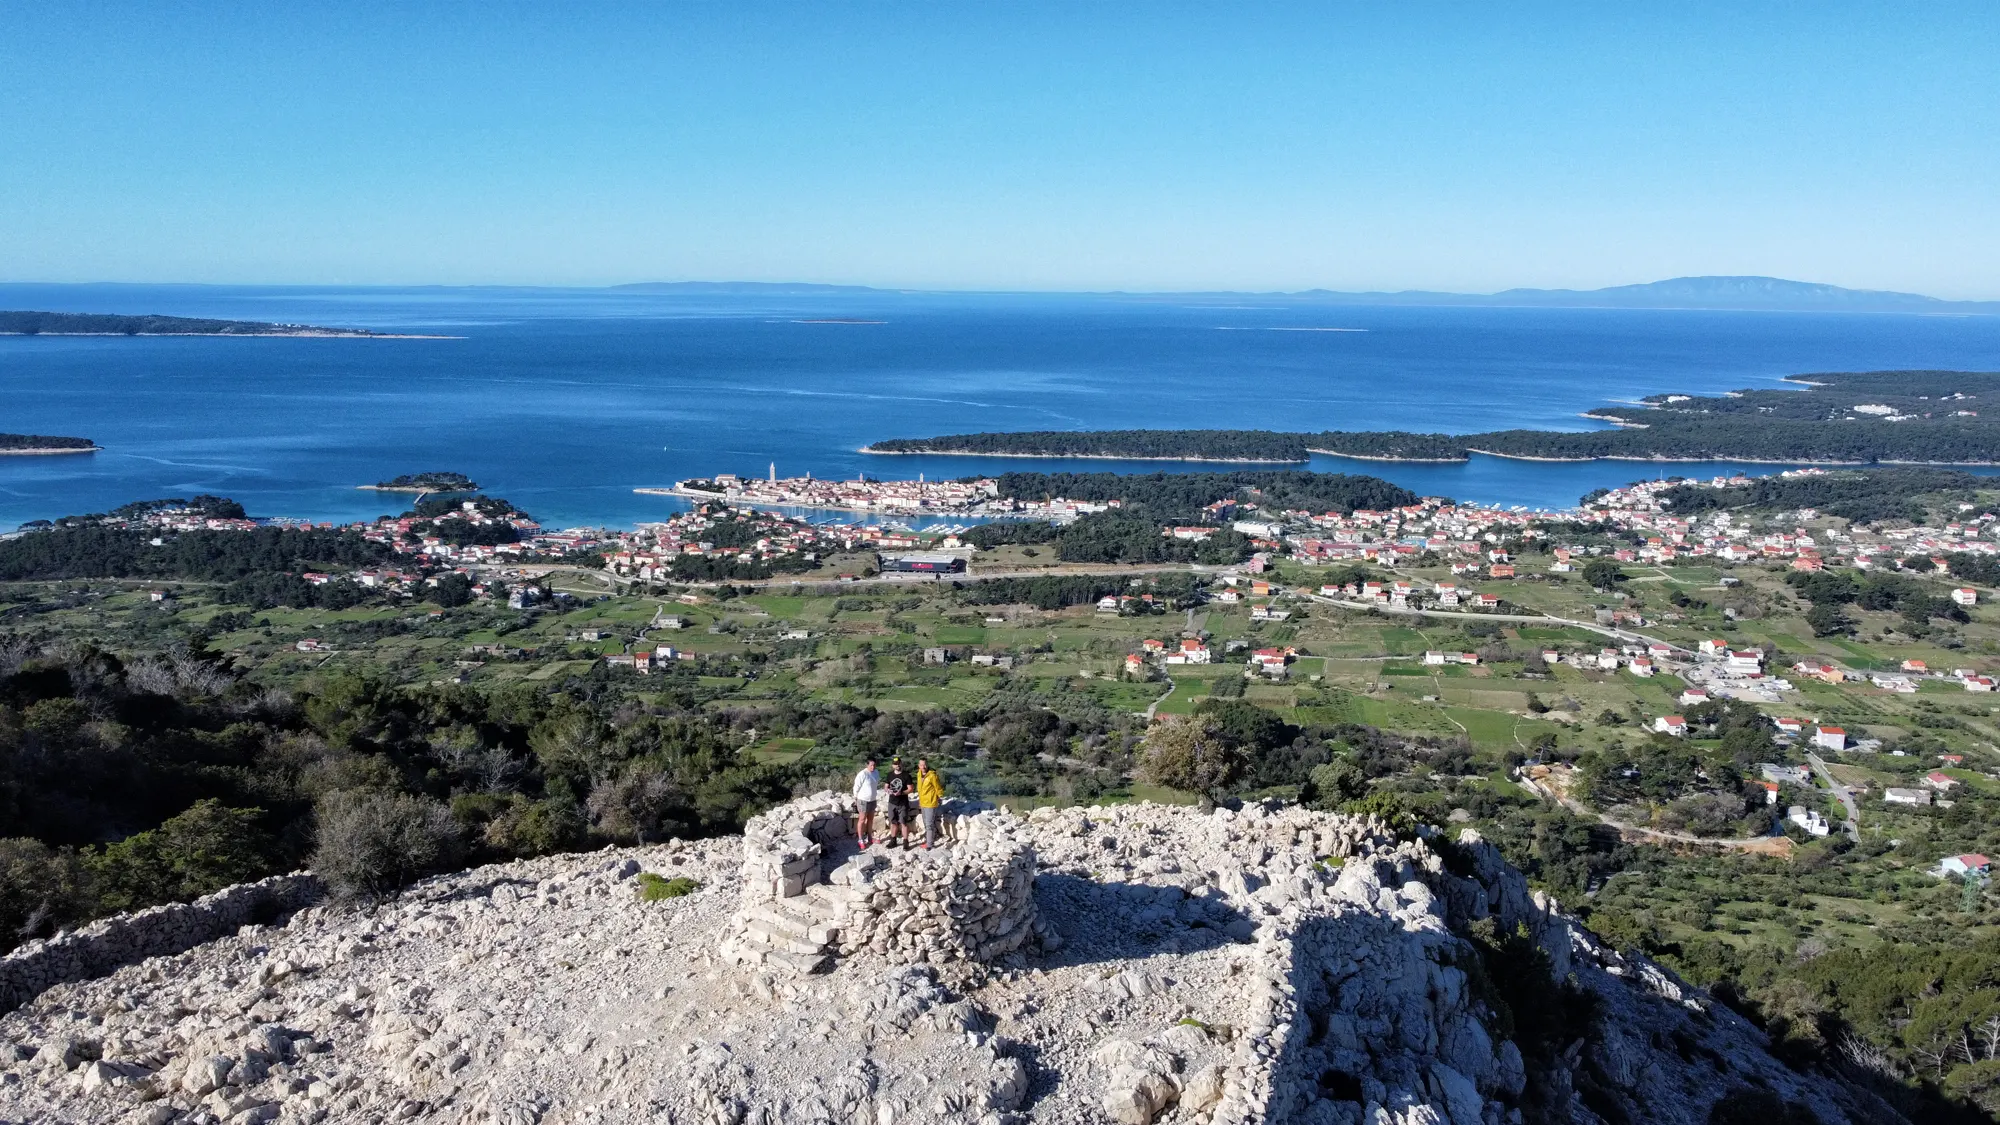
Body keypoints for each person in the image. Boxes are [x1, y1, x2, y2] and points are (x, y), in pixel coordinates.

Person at [882, 758, 913, 849]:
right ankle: (893, 840)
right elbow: (886, 786)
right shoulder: (889, 775)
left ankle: (906, 842)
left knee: (903, 822)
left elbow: (910, 789)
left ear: (901, 764)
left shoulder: (906, 775)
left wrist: (901, 793)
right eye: (895, 764)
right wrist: (888, 790)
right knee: (893, 822)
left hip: (903, 803)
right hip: (892, 802)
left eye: (899, 763)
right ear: (892, 765)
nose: (897, 765)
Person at [915, 758, 944, 850]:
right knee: (926, 822)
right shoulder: (918, 775)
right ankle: (931, 838)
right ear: (919, 766)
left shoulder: (932, 775)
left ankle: (929, 844)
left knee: (929, 824)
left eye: (925, 765)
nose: (924, 767)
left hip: (931, 803)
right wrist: (920, 800)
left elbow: (938, 788)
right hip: (923, 802)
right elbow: (919, 789)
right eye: (922, 765)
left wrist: (939, 797)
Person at [851, 758, 880, 847]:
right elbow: (856, 787)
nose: (873, 767)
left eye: (874, 765)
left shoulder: (876, 772)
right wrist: (856, 798)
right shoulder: (862, 774)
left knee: (870, 819)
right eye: (871, 765)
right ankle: (860, 839)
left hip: (872, 799)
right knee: (862, 819)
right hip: (863, 800)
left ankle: (870, 838)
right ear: (867, 765)